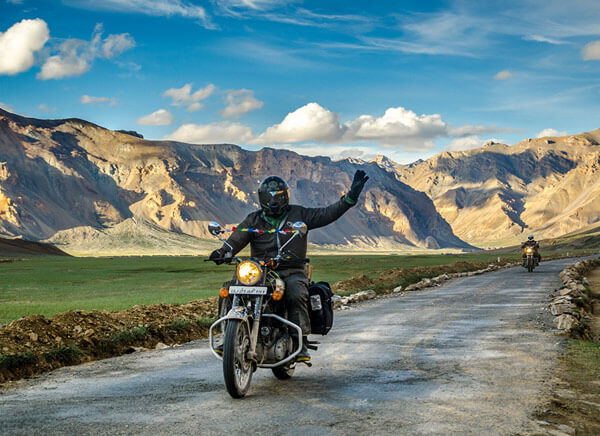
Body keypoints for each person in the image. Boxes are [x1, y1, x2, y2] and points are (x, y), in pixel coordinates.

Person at [210, 170, 369, 362]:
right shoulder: (253, 219)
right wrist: (223, 251)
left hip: (291, 269)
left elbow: (327, 213)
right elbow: (237, 238)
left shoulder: (299, 214)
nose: (273, 201)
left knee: (295, 292)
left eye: (278, 196)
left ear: (285, 196)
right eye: (269, 197)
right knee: (229, 288)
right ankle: (228, 337)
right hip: (260, 272)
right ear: (261, 198)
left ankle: (299, 339)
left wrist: (350, 198)